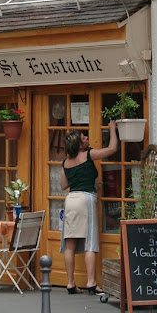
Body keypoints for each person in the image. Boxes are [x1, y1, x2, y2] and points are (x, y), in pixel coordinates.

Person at [60, 121, 118, 294]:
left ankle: (70, 283)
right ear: (79, 145)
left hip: (71, 200)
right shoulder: (88, 155)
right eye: (83, 137)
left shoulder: (65, 163)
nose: (86, 138)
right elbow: (112, 149)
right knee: (89, 243)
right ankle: (91, 282)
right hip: (86, 198)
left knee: (69, 245)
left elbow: (63, 185)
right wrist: (112, 130)